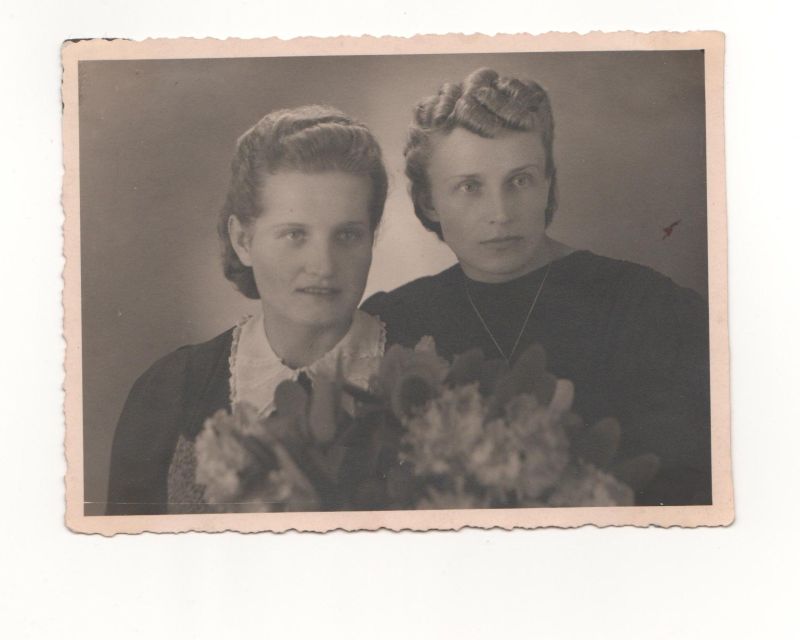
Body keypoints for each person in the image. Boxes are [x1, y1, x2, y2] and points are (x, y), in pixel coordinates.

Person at [361, 68, 711, 506]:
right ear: (429, 201)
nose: (501, 213)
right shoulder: (395, 320)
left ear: (548, 183)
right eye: (469, 187)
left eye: (520, 180)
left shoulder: (645, 307)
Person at [107, 105, 389, 515]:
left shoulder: (431, 378)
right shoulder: (170, 392)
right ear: (242, 241)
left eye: (347, 235)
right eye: (294, 234)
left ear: (371, 239)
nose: (324, 265)